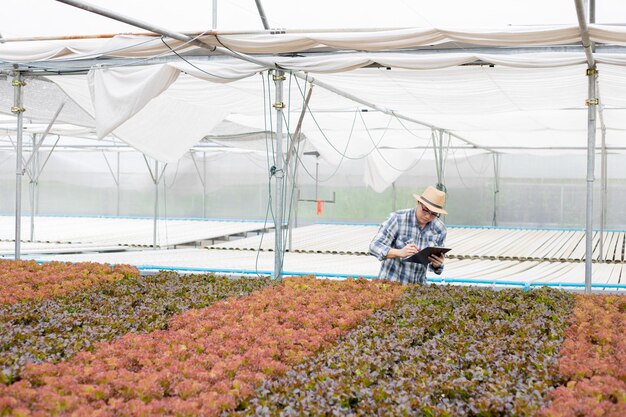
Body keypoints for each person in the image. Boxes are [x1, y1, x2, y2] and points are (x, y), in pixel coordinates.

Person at [369, 185, 448, 285]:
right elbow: (374, 246)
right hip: (391, 285)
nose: (428, 216)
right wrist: (399, 252)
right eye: (425, 210)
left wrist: (437, 264)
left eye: (434, 214)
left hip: (417, 290)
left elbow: (436, 267)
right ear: (419, 202)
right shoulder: (398, 219)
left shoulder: (440, 229)